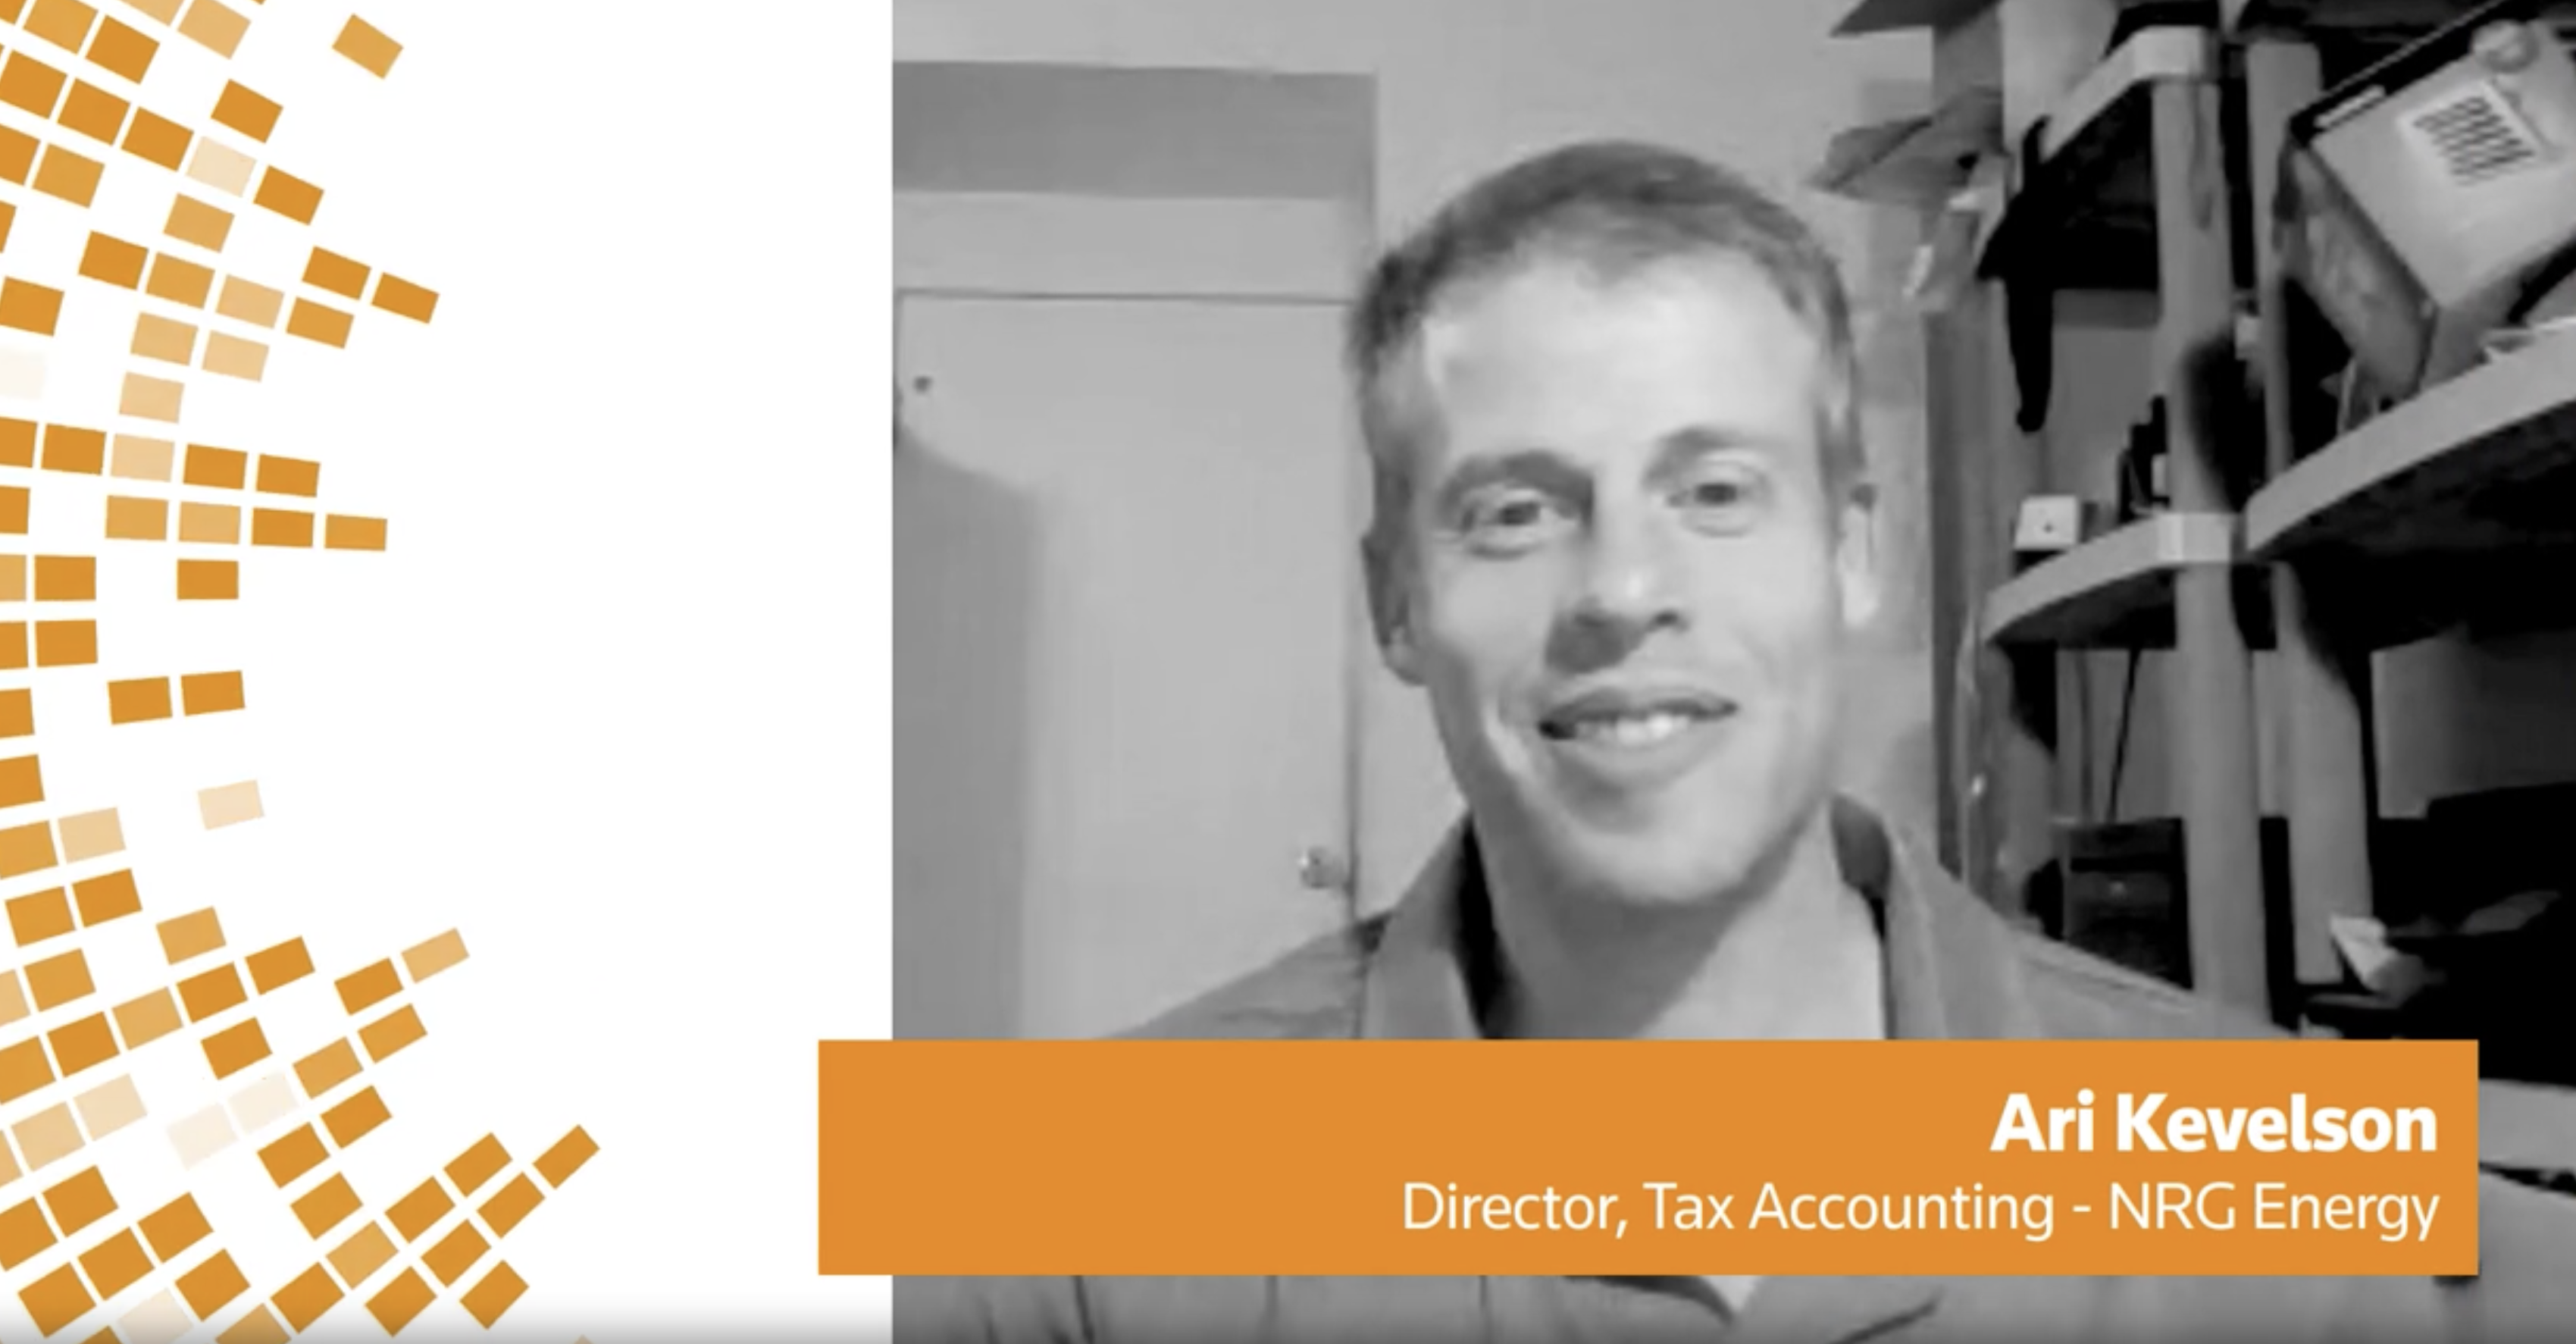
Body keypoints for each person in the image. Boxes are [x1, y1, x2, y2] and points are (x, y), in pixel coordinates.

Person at [900, 141, 2576, 1341]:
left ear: (1851, 553)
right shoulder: (1062, 1212)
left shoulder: (2277, 1181)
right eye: (1514, 510)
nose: (1623, 590)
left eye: (1714, 491)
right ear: (1396, 602)